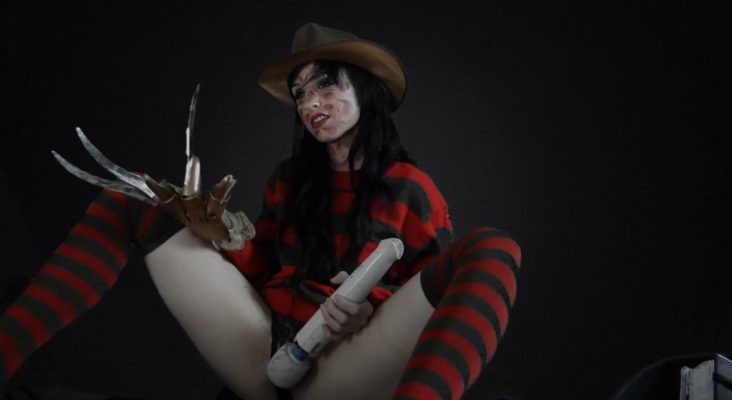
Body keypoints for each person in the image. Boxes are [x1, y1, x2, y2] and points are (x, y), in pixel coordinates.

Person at [0, 23, 521, 400]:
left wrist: (370, 309)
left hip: (347, 365)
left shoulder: (414, 191)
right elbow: (263, 270)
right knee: (132, 197)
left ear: (365, 89)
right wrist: (222, 237)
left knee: (493, 250)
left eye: (326, 84)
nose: (310, 103)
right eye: (300, 93)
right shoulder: (290, 179)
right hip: (263, 347)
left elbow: (431, 301)